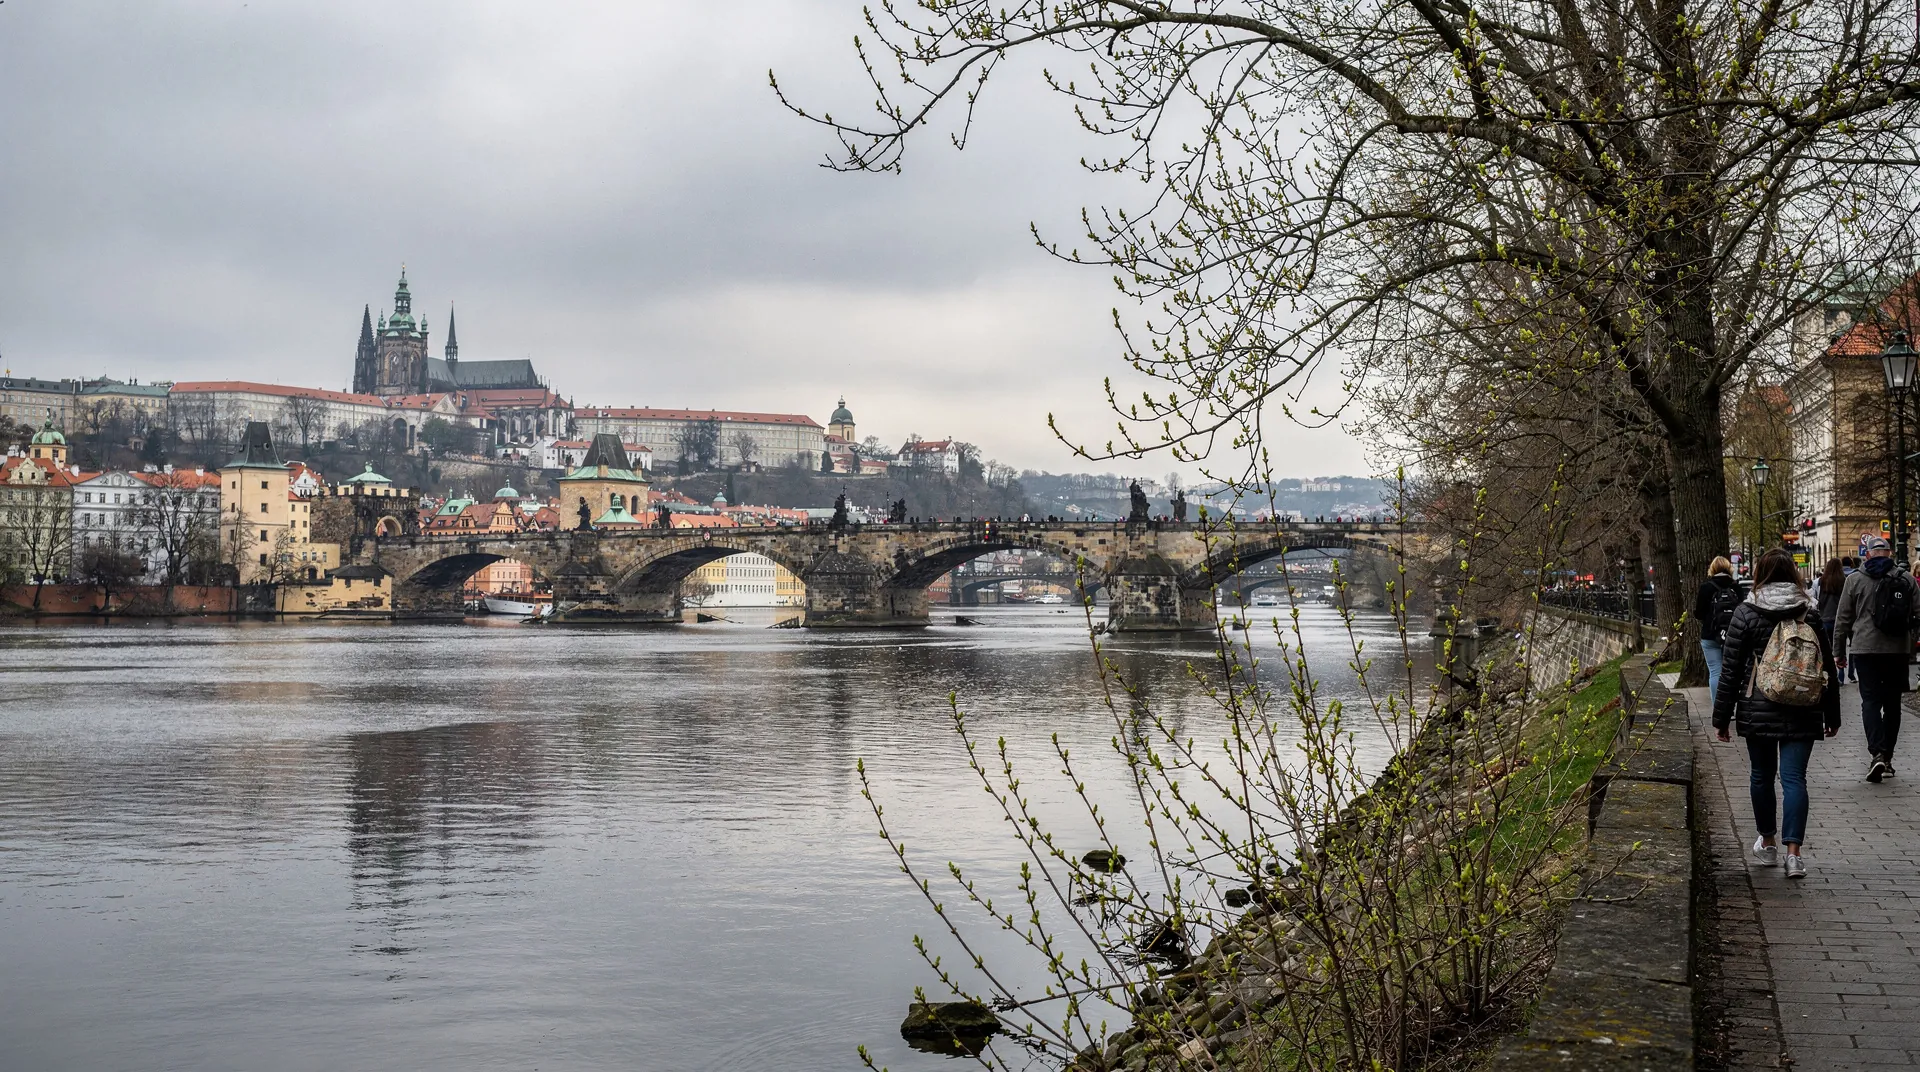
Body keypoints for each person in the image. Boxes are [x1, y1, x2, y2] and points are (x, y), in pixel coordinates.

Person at [1712, 548, 1842, 879]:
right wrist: (1832, 714)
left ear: (1760, 574)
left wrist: (1721, 718)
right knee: (1795, 778)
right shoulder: (1809, 611)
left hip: (1759, 705)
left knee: (1761, 775)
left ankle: (1768, 843)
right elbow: (1825, 666)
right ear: (1794, 575)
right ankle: (1794, 855)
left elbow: (1730, 670)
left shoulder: (1746, 612)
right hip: (1804, 704)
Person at [1832, 535, 1919, 782]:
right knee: (1892, 704)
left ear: (1867, 554)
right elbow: (1918, 614)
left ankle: (1877, 753)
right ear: (1890, 553)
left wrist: (1838, 651)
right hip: (1897, 651)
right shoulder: (1907, 579)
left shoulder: (1855, 580)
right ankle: (1888, 758)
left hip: (1865, 649)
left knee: (1870, 701)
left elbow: (1843, 619)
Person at [1694, 556, 1743, 698]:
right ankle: (1732, 706)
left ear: (1712, 569)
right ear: (1729, 569)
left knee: (1715, 671)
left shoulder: (1706, 587)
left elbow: (1699, 613)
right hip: (1733, 635)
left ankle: (1718, 708)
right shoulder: (1736, 587)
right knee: (1733, 671)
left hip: (1710, 635)